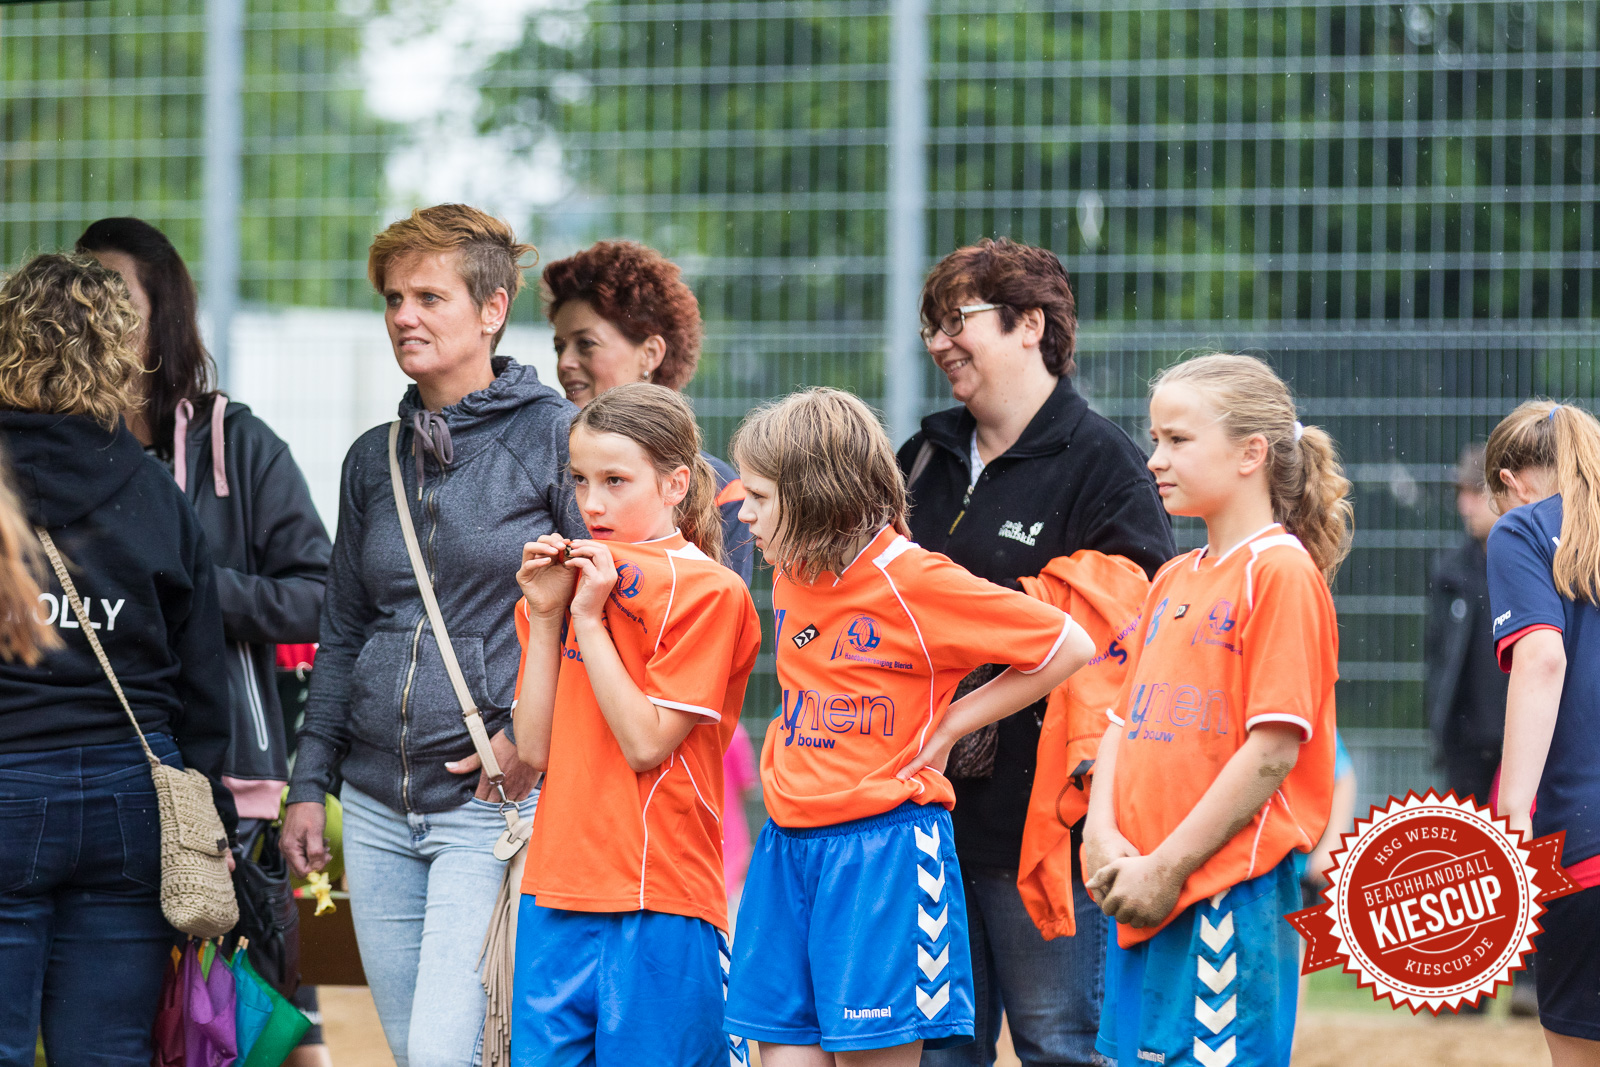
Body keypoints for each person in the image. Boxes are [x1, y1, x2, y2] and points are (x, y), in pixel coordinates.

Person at [280, 204, 584, 1067]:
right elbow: (340, 630)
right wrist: (310, 784)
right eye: (392, 298)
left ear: (492, 307)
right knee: (418, 1052)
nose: (403, 316)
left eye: (428, 296)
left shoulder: (554, 436)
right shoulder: (371, 459)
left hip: (487, 802)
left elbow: (603, 610)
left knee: (452, 1050)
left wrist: (534, 739)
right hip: (374, 806)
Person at [724, 387, 1096, 1066]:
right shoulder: (793, 571)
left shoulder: (916, 581)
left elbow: (1068, 645)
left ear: (815, 495)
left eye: (760, 496)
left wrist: (954, 721)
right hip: (786, 847)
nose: (742, 512)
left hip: (882, 854)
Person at [900, 238, 1174, 1067]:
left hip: (1048, 817)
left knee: (1061, 1044)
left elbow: (1137, 629)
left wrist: (986, 623)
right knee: (943, 1051)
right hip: (927, 815)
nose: (941, 342)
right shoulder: (924, 458)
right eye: (930, 327)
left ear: (1031, 325)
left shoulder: (1105, 464)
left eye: (958, 321)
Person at [77, 216, 337, 1060]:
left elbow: (322, 597)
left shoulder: (242, 445)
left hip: (231, 796)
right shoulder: (52, 449)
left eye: (117, 297)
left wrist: (191, 591)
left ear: (165, 316)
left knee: (261, 1026)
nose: (97, 316)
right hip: (91, 785)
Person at [0, 252, 237, 1064]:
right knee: (107, 1049)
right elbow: (203, 681)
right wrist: (215, 813)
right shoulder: (154, 494)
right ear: (115, 353)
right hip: (132, 798)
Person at [1082, 353, 1349, 1067]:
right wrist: (1101, 836)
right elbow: (1120, 722)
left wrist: (1169, 865)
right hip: (1142, 889)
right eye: (1155, 438)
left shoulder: (1280, 571)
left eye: (1177, 439)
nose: (1154, 458)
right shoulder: (1172, 574)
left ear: (1250, 454)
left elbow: (1271, 751)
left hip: (1225, 895)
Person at [509, 383, 761, 1067]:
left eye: (616, 481)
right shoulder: (562, 580)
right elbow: (532, 750)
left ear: (677, 482)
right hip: (555, 891)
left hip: (660, 896)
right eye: (582, 480)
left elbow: (647, 741)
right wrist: (549, 613)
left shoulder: (709, 589)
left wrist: (587, 619)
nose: (592, 503)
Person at [1484, 400, 1600, 1066]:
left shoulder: (1523, 530)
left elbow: (1543, 657)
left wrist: (1512, 813)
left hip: (1585, 847)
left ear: (1512, 480)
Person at [541, 240, 752, 583]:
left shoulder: (721, 487)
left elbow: (715, 617)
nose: (565, 363)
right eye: (559, 347)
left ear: (651, 353)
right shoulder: (542, 454)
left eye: (586, 344)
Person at [1425, 444, 1508, 809]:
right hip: (1467, 750)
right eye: (1462, 493)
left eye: (1475, 492)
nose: (1465, 506)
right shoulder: (1451, 571)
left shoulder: (1536, 566)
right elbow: (1436, 659)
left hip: (1520, 745)